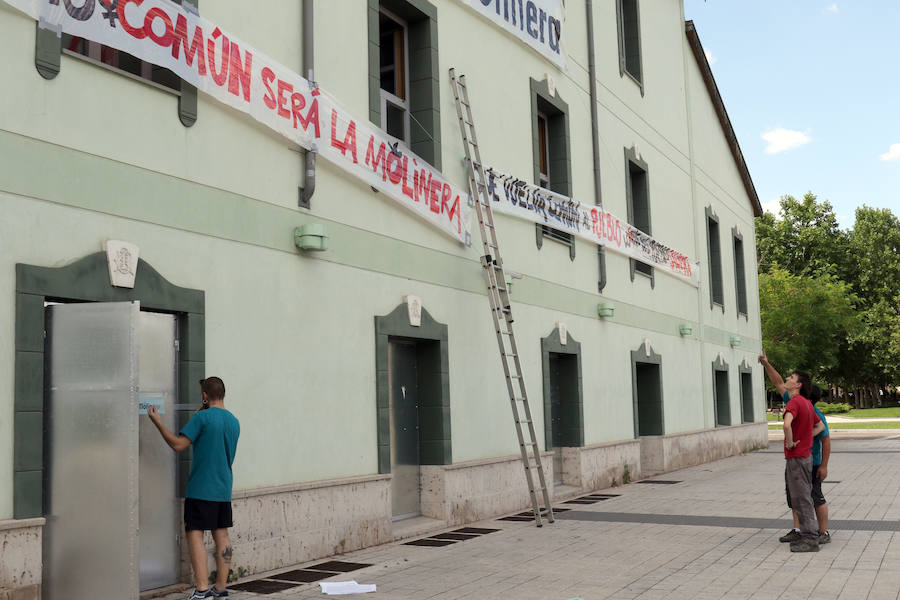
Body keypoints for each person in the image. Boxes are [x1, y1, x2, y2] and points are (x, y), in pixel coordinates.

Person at [148, 377, 241, 599]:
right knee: (222, 535)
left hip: (201, 488)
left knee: (195, 534)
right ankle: (220, 588)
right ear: (223, 394)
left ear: (205, 396)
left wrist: (158, 422)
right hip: (223, 487)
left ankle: (201, 590)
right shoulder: (233, 421)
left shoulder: (202, 418)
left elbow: (178, 445)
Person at [758, 350, 821, 552]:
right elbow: (819, 427)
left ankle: (810, 538)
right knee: (802, 497)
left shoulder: (794, 402)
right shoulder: (807, 403)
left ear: (798, 385)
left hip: (798, 457)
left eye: (791, 377)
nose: (787, 378)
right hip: (805, 456)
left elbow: (786, 425)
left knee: (801, 498)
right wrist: (806, 439)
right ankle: (807, 535)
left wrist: (792, 442)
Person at [780, 385, 831, 545]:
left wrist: (824, 466)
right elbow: (779, 383)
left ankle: (823, 532)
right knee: (796, 497)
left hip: (812, 463)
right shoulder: (801, 409)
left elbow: (826, 440)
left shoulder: (816, 414)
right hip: (796, 461)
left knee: (816, 497)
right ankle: (798, 530)